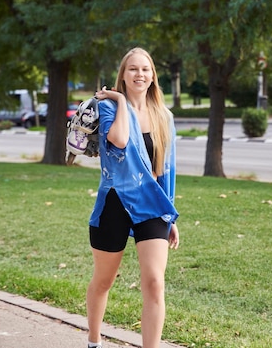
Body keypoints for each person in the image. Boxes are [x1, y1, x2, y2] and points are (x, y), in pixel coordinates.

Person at [86, 47, 180, 348]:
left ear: (153, 76)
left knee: (154, 283)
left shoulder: (164, 117)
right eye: (133, 69)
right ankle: (94, 341)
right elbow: (120, 140)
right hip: (114, 203)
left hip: (152, 206)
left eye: (145, 69)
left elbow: (166, 169)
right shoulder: (109, 108)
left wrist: (170, 213)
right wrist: (122, 100)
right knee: (104, 281)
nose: (140, 74)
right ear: (123, 75)